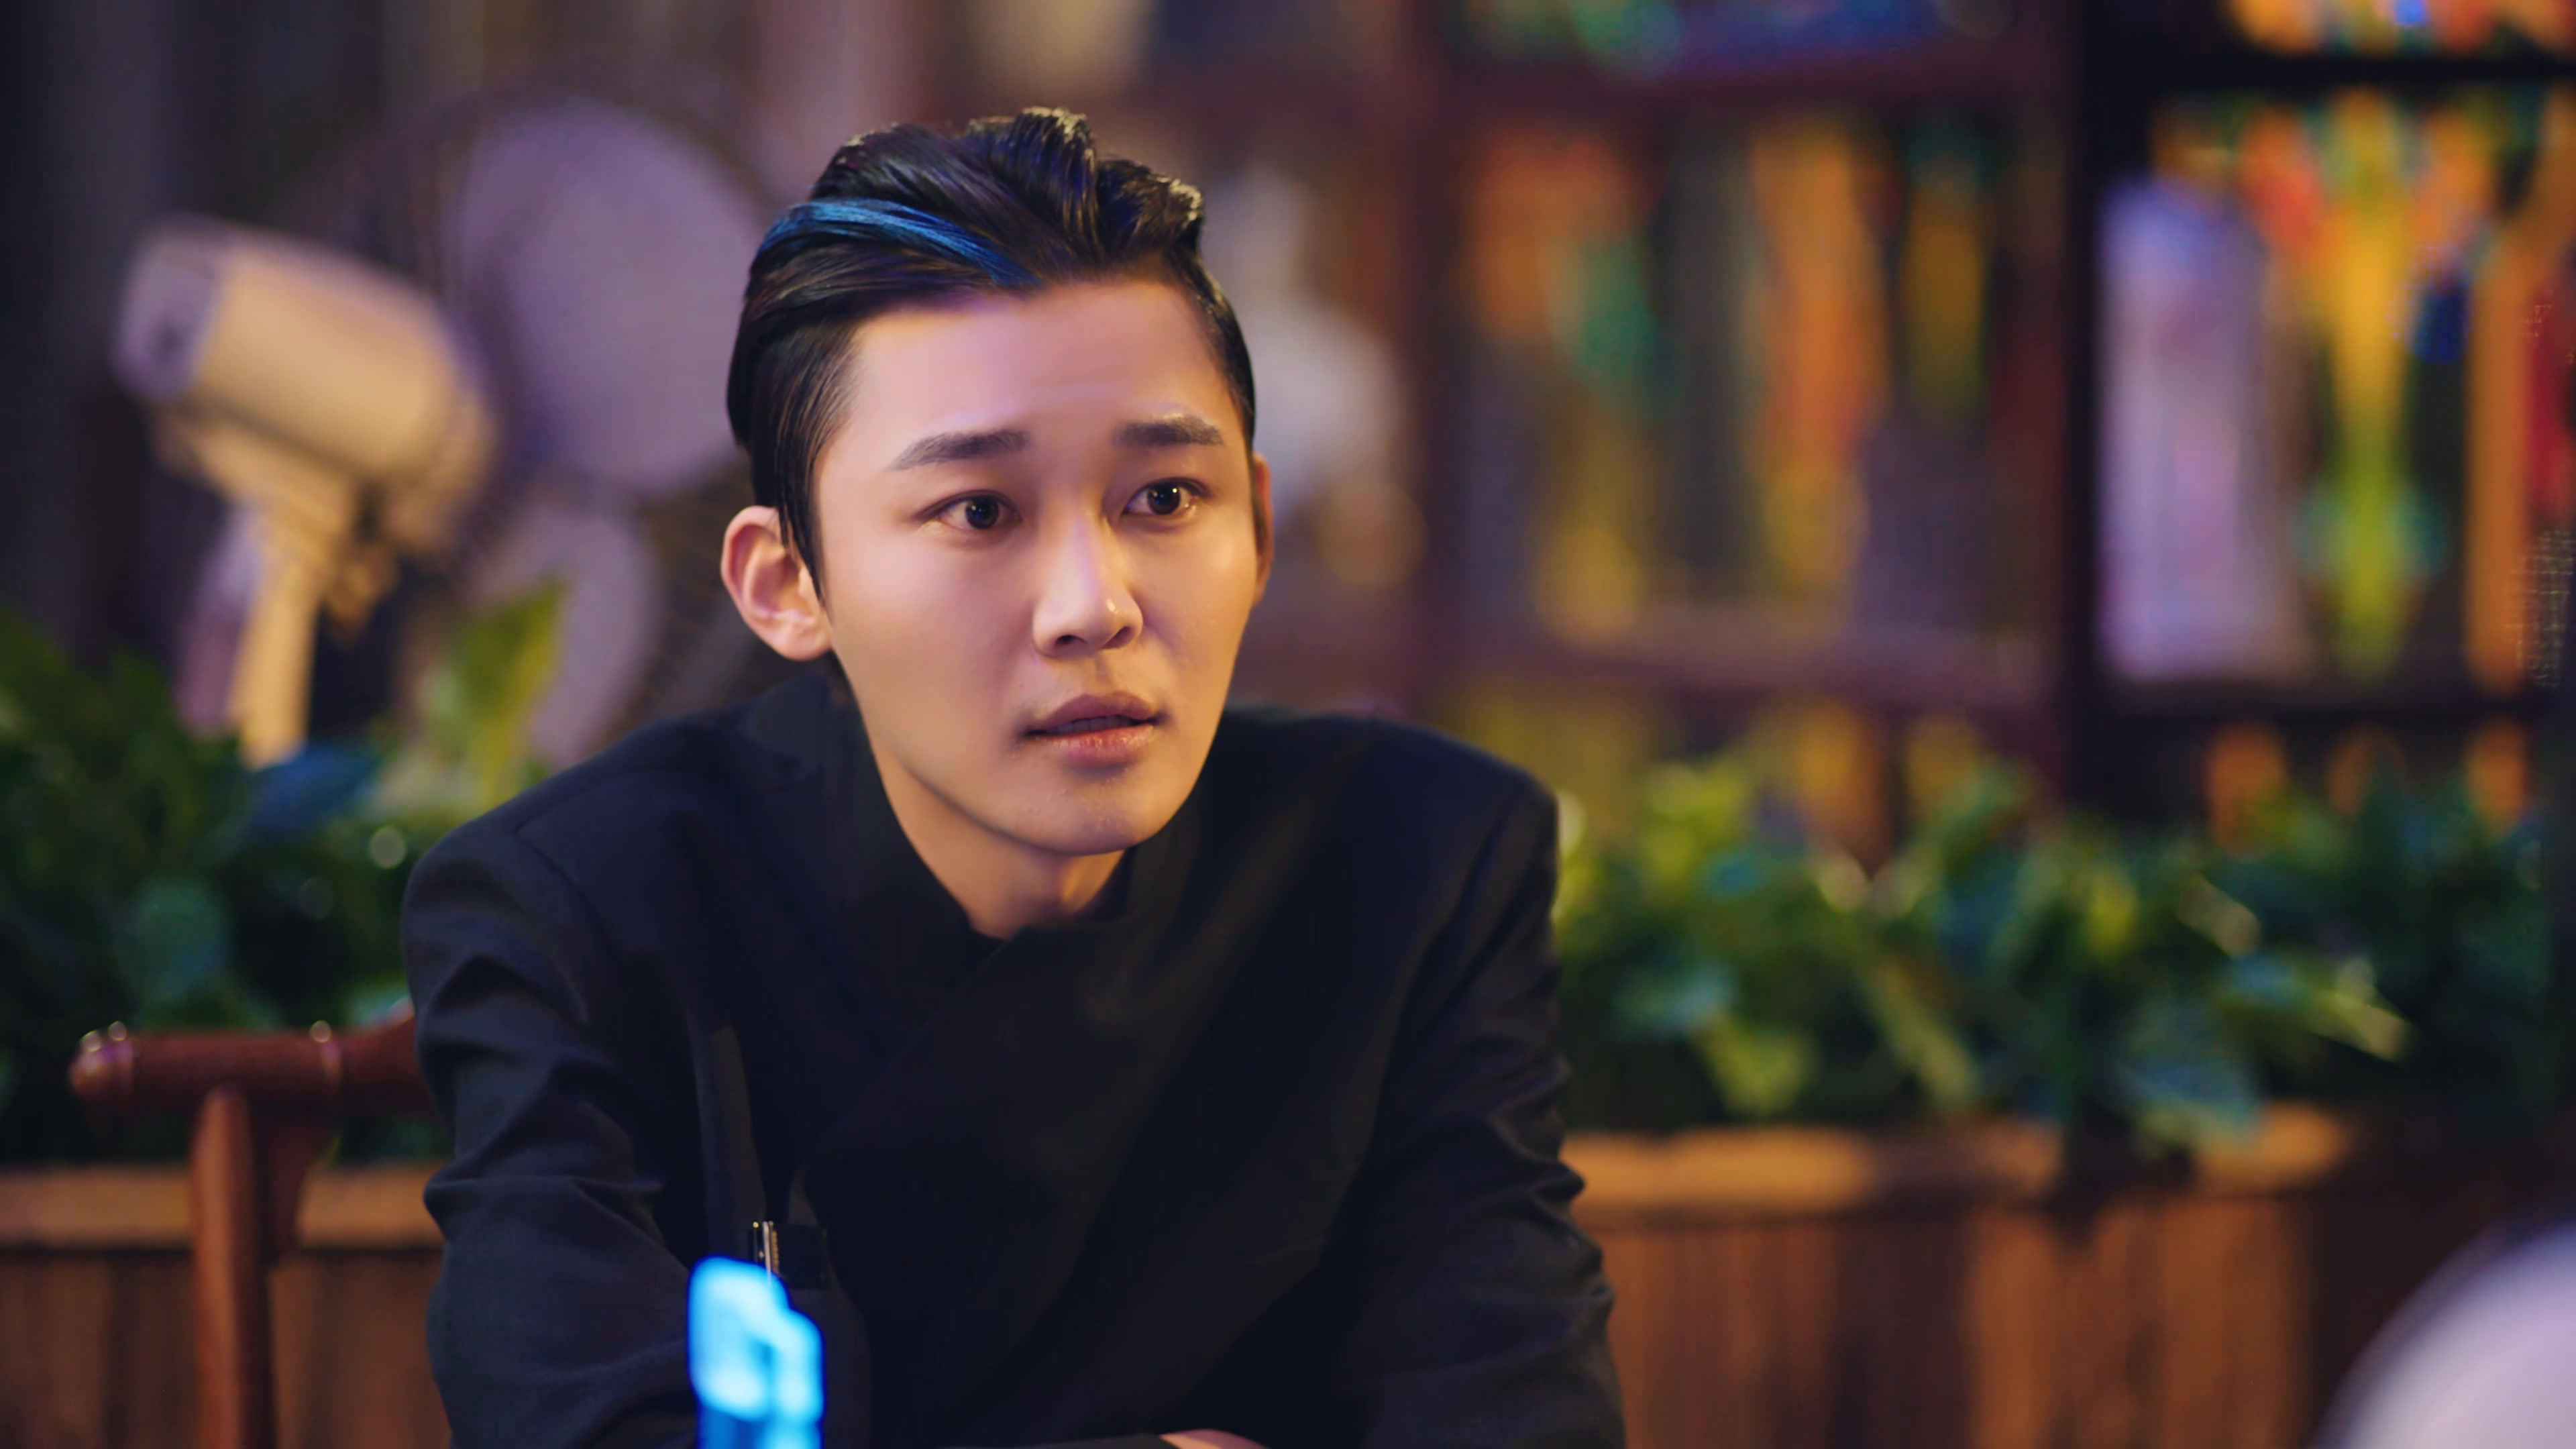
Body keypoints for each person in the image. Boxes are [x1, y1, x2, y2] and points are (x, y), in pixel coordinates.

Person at [402, 107, 1623, 1449]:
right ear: (786, 583)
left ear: (1262, 528)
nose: (1093, 605)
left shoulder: (1414, 864)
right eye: (977, 511)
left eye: (1165, 500)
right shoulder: (583, 910)